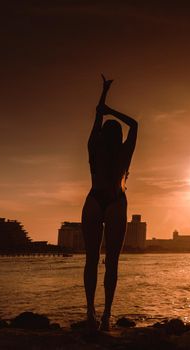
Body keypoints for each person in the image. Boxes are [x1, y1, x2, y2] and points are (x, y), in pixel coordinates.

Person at [82, 75, 138, 331]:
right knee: (111, 261)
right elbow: (134, 124)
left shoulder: (94, 146)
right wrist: (109, 106)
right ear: (119, 135)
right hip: (116, 201)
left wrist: (104, 96)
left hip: (94, 199)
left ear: (103, 133)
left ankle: (91, 313)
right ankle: (105, 315)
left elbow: (97, 116)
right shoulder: (124, 152)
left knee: (91, 259)